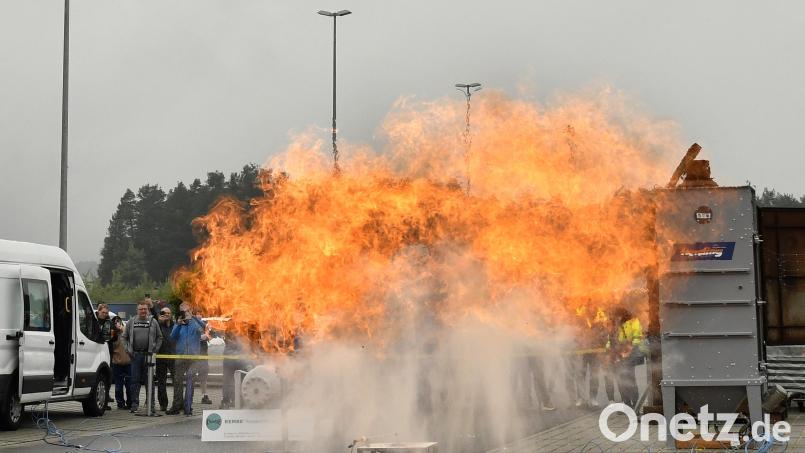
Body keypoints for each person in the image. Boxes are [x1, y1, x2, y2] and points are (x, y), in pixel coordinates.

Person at [122, 301, 164, 413]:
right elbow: (124, 337)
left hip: (149, 356)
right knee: (134, 381)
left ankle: (151, 405)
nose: (143, 311)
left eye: (145, 309)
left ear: (148, 310)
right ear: (137, 310)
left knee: (149, 381)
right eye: (141, 309)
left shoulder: (153, 321)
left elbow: (160, 337)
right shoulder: (131, 322)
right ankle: (134, 404)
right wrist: (127, 349)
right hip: (135, 355)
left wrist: (155, 350)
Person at [168, 302, 207, 416]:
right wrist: (179, 324)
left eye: (186, 310)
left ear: (190, 310)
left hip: (194, 357)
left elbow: (203, 328)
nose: (184, 313)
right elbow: (173, 336)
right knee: (177, 381)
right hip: (180, 356)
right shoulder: (179, 322)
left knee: (190, 380)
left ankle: (188, 407)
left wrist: (192, 318)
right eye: (182, 311)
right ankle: (176, 406)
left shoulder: (195, 322)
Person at [608, 307, 647, 409]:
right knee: (620, 380)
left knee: (630, 378)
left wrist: (630, 349)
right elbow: (611, 338)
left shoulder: (633, 322)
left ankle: (635, 403)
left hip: (630, 355)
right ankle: (626, 403)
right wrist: (608, 348)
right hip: (618, 355)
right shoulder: (615, 325)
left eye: (617, 316)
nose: (616, 318)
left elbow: (637, 337)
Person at [155, 306, 176, 412]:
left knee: (176, 381)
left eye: (168, 313)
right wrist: (159, 322)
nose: (166, 315)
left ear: (171, 314)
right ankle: (163, 404)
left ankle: (176, 403)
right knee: (161, 382)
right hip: (161, 356)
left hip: (173, 356)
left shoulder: (175, 326)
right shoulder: (158, 325)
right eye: (164, 313)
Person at [110, 314, 132, 409]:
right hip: (117, 363)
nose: (117, 324)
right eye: (115, 323)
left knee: (129, 385)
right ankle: (120, 403)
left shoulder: (127, 332)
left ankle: (130, 403)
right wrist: (114, 333)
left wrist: (123, 331)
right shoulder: (112, 335)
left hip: (129, 362)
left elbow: (132, 341)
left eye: (118, 322)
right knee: (118, 386)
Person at [96, 303, 114, 410]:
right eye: (103, 312)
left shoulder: (110, 323)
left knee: (107, 377)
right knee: (98, 377)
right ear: (98, 312)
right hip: (95, 350)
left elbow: (114, 339)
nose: (105, 314)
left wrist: (114, 334)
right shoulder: (93, 322)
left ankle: (105, 402)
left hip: (107, 351)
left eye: (106, 313)